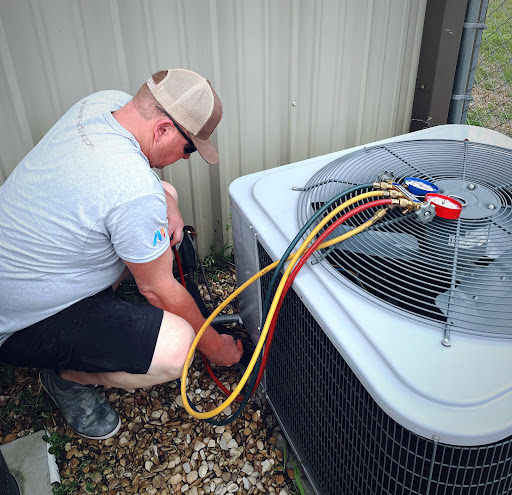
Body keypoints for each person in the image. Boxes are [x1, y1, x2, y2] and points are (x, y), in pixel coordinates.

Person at [0, 69, 244, 440]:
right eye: (189, 148)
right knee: (178, 347)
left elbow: (126, 186)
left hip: (29, 266)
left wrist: (165, 201)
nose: (187, 158)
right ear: (163, 129)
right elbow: (158, 291)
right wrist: (216, 348)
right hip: (20, 322)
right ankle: (65, 378)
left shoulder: (104, 104)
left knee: (166, 193)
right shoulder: (131, 189)